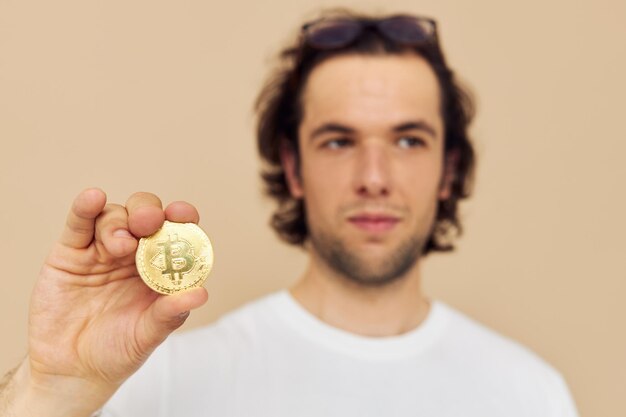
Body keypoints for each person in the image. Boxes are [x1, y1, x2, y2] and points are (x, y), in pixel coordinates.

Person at [0, 10, 579, 417]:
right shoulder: (157, 381)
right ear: (293, 168)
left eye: (408, 141)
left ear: (448, 171)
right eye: (338, 140)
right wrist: (50, 392)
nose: (374, 178)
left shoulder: (532, 394)